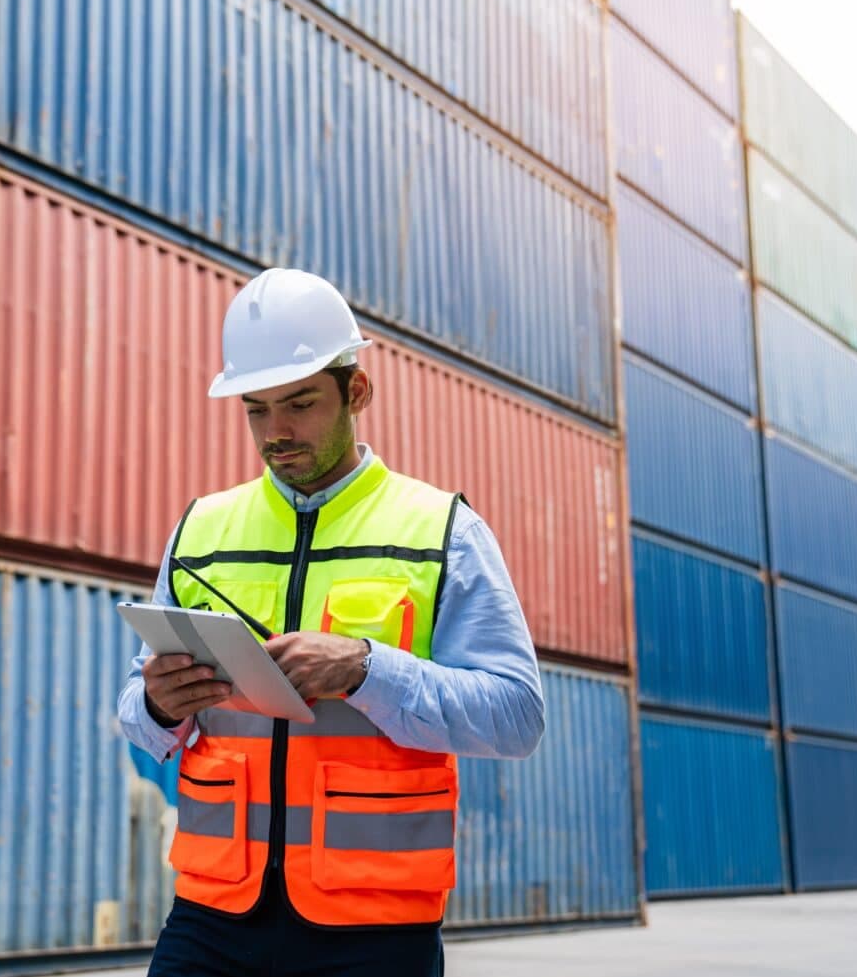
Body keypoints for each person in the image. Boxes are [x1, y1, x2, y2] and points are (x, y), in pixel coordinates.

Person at [117, 268, 545, 977]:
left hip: (373, 928)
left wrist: (367, 667)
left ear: (358, 391)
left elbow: (517, 715)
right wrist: (159, 703)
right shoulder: (202, 531)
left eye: (300, 403)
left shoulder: (442, 531)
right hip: (213, 915)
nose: (275, 432)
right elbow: (136, 718)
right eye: (256, 409)